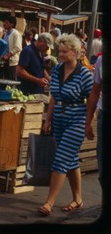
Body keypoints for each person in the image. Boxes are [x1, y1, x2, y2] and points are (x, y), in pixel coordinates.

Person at [38, 34, 94, 216]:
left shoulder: (85, 74)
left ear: (75, 52)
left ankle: (49, 202)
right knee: (70, 160)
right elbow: (54, 96)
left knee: (61, 159)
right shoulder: (57, 70)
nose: (60, 54)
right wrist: (48, 119)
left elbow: (91, 100)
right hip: (59, 120)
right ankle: (78, 199)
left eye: (64, 51)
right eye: (59, 51)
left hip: (76, 120)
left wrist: (88, 124)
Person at [85, 55, 103, 188]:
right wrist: (88, 121)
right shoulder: (101, 60)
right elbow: (95, 91)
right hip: (105, 116)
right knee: (103, 165)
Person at [1, 16, 22, 81]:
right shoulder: (6, 33)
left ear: (12, 24)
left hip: (13, 61)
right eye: (4, 22)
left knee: (12, 80)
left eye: (6, 22)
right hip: (6, 61)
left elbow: (18, 47)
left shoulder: (16, 34)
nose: (4, 24)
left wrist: (7, 56)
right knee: (6, 80)